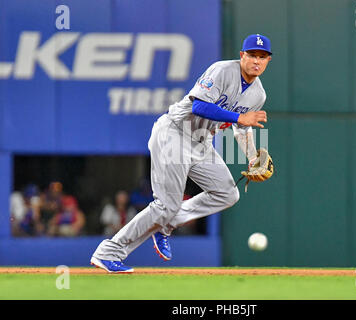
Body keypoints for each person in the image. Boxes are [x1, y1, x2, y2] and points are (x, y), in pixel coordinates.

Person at [91, 34, 272, 273]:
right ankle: (109, 253)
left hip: (201, 142)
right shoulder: (221, 70)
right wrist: (239, 117)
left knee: (228, 194)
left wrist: (252, 157)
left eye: (262, 57)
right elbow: (200, 106)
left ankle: (166, 225)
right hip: (174, 132)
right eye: (252, 55)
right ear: (242, 56)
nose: (256, 61)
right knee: (166, 204)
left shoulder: (258, 94)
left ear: (268, 60)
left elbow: (242, 129)